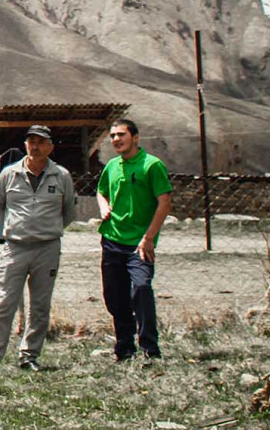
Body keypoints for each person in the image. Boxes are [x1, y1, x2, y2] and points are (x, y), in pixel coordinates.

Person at [0, 125, 76, 373]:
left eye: (41, 142)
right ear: (25, 145)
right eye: (31, 141)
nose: (35, 146)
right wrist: (9, 233)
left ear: (50, 147)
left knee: (40, 306)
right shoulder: (9, 175)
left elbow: (68, 212)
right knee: (4, 303)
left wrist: (46, 230)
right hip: (15, 247)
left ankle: (29, 355)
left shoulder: (62, 176)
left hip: (47, 248)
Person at [97, 117, 173, 361]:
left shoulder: (152, 165)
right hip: (112, 239)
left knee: (141, 289)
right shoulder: (112, 166)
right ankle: (124, 347)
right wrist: (104, 208)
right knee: (115, 296)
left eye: (121, 134)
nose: (116, 139)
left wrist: (149, 237)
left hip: (140, 244)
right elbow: (100, 191)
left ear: (135, 137)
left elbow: (164, 202)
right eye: (113, 136)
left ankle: (150, 348)